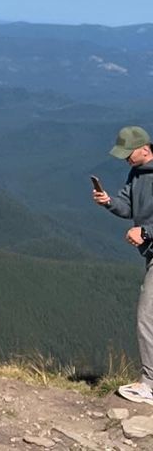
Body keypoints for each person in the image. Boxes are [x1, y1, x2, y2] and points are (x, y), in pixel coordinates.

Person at [93, 125, 153, 403]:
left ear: (145, 148)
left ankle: (150, 385)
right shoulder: (137, 173)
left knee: (147, 316)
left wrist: (146, 232)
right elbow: (128, 206)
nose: (125, 159)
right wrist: (108, 202)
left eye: (128, 154)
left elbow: (145, 225)